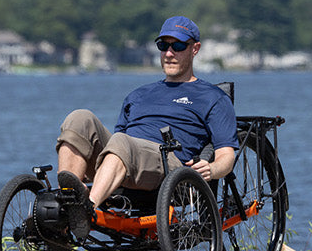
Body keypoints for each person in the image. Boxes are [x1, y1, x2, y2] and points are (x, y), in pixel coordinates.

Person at [54, 16, 238, 238]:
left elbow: (226, 156)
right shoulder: (138, 94)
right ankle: (67, 204)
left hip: (170, 166)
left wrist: (213, 169)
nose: (169, 53)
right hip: (126, 161)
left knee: (122, 142)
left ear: (195, 49)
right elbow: (114, 143)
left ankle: (85, 210)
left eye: (178, 46)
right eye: (163, 46)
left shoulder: (213, 97)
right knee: (79, 118)